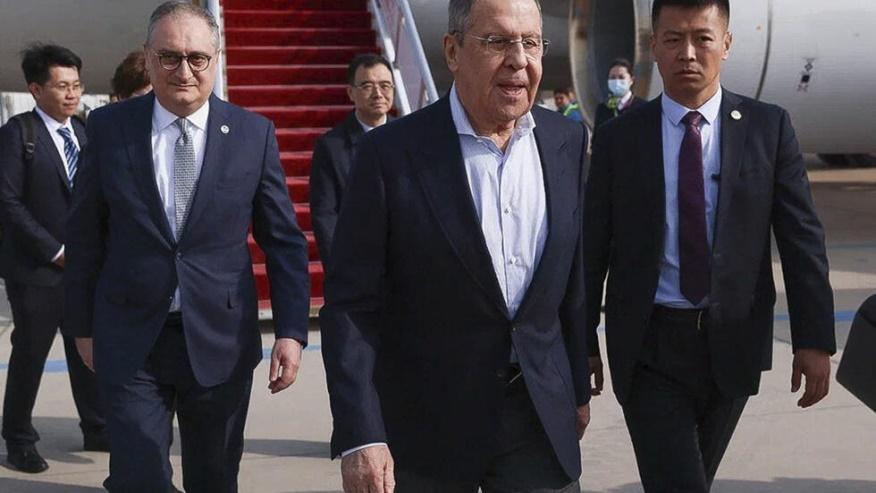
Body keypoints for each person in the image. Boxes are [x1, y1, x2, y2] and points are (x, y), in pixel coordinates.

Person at [321, 0, 591, 491]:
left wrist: (574, 385)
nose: (518, 60)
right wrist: (361, 431)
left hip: (537, 418)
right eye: (497, 42)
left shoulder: (567, 142)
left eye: (531, 43)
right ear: (452, 51)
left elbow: (571, 281)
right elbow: (351, 306)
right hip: (427, 430)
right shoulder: (391, 154)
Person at [583, 1, 836, 491]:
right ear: (653, 46)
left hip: (731, 343)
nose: (688, 53)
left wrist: (814, 338)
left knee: (691, 475)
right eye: (673, 39)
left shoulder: (768, 128)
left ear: (727, 42)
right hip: (648, 345)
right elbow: (594, 247)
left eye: (702, 37)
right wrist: (583, 342)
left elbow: (802, 238)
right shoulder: (620, 139)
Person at [63, 2, 311, 491]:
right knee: (140, 477)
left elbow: (282, 241)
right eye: (170, 56)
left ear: (216, 59)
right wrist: (81, 326)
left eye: (197, 57)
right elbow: (86, 234)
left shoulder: (252, 134)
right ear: (149, 58)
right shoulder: (110, 129)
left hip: (221, 337)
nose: (185, 70)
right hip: (131, 336)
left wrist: (291, 331)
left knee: (214, 478)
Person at [0, 43, 107, 474]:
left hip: (82, 270)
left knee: (86, 349)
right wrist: (54, 250)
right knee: (30, 355)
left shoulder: (82, 130)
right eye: (61, 86)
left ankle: (97, 426)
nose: (72, 93)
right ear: (35, 89)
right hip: (36, 271)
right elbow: (6, 201)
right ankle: (19, 438)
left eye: (77, 85)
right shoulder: (18, 133)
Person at [309, 53, 394, 268]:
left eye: (385, 85)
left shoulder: (411, 137)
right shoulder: (331, 146)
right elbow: (325, 215)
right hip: (357, 265)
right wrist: (341, 268)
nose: (378, 94)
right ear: (350, 92)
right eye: (367, 86)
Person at [593, 58, 645, 128]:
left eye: (621, 77)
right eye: (613, 77)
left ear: (631, 80)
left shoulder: (642, 107)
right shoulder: (603, 109)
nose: (617, 81)